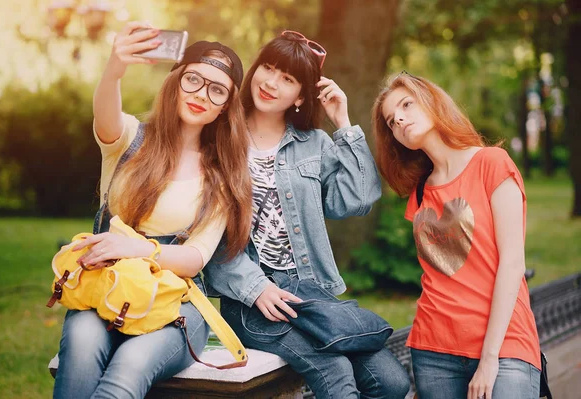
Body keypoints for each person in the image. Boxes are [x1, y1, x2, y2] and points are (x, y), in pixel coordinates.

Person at [204, 31, 411, 399]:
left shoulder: (314, 143)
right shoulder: (218, 141)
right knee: (336, 374)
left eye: (288, 78)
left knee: (391, 382)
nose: (271, 82)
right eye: (268, 68)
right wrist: (256, 288)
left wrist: (343, 123)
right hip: (251, 298)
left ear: (301, 95)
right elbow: (209, 239)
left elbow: (358, 199)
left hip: (310, 291)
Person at [53, 22, 252, 399]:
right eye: (193, 79)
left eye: (217, 90)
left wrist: (137, 249)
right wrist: (115, 67)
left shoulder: (222, 177)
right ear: (176, 81)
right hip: (105, 288)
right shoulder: (130, 140)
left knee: (128, 370)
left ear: (226, 106)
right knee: (80, 344)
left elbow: (195, 257)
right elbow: (105, 115)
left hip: (176, 304)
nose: (201, 95)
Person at [372, 71, 541, 399]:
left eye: (407, 104)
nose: (401, 119)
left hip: (504, 345)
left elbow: (512, 263)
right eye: (392, 121)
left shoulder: (492, 164)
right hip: (434, 351)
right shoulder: (420, 194)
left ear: (432, 101)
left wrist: (489, 359)